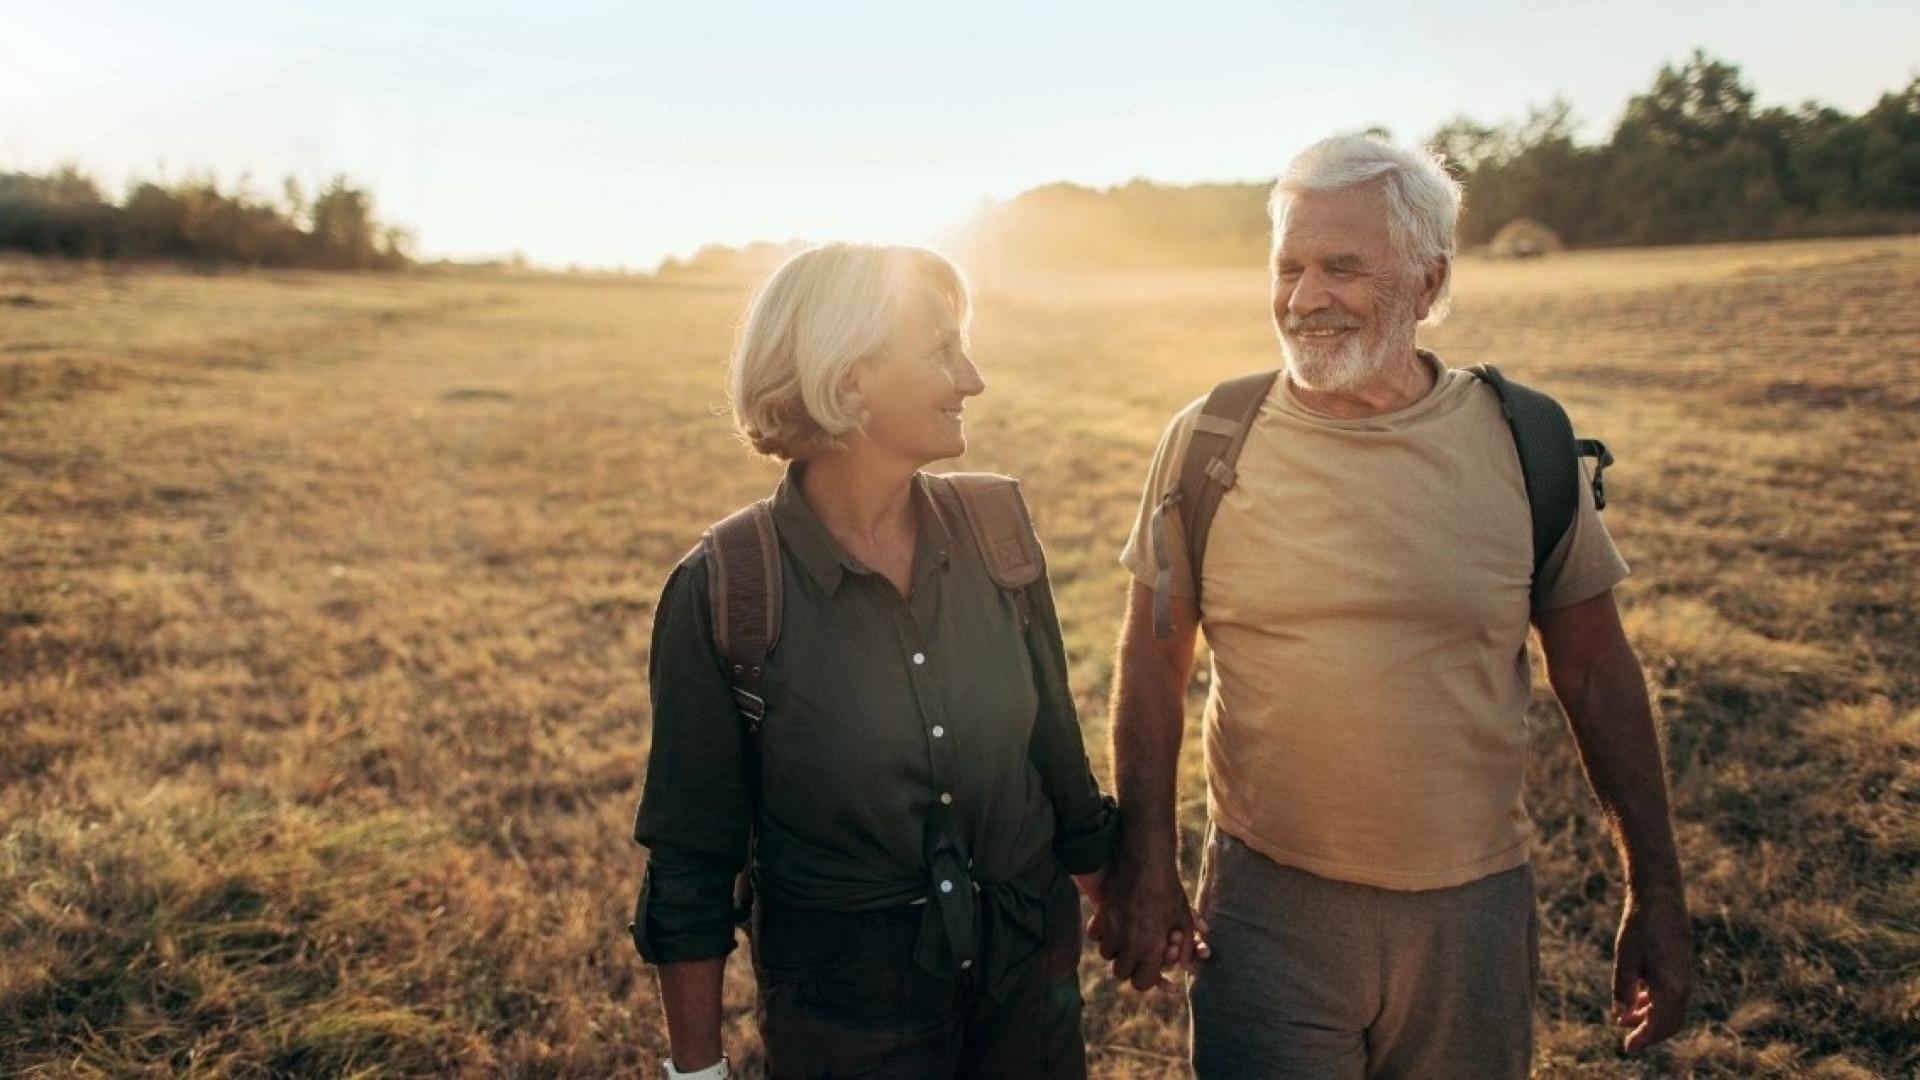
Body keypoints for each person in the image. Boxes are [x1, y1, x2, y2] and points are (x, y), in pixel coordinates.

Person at [1089, 135, 1694, 1077]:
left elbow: (1596, 669)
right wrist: (1148, 861)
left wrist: (1655, 889)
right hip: (1263, 914)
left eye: (1342, 267)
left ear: (1428, 279)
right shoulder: (1208, 439)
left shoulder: (1525, 439)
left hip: (1472, 917)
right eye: (1288, 267)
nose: (1304, 297)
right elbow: (1152, 665)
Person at [629, 243, 1122, 1079]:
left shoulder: (998, 530)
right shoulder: (725, 588)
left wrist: (1126, 903)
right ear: (848, 379)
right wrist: (697, 1072)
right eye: (939, 349)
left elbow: (1058, 760)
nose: (971, 379)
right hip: (847, 1022)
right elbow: (692, 857)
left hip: (1026, 997)